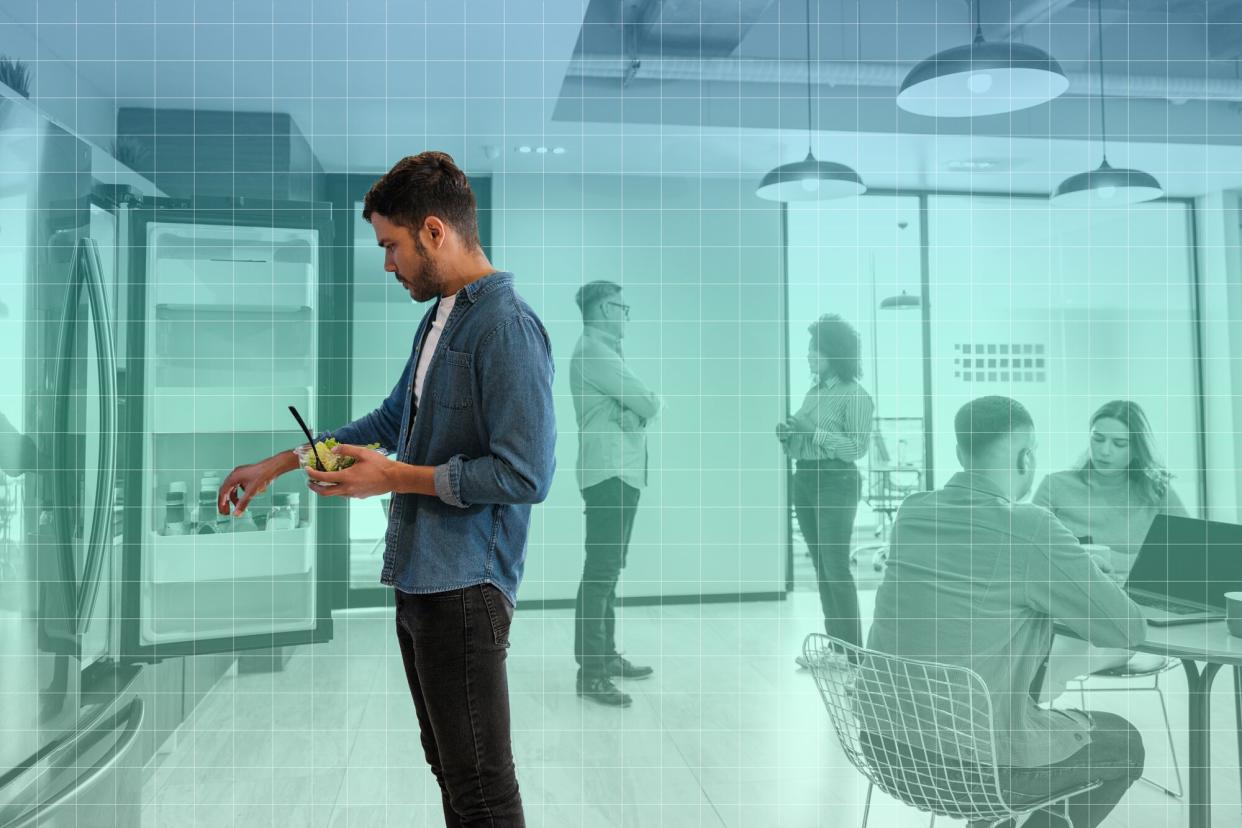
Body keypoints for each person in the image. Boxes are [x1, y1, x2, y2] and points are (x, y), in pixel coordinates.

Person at [217, 152, 555, 828]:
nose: (387, 263)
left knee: (483, 789)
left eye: (390, 245)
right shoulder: (441, 319)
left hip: (466, 589)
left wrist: (394, 478)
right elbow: (391, 420)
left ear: (434, 231)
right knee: (453, 773)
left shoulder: (506, 328)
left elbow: (525, 475)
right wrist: (281, 462)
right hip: (423, 580)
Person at [867, 396, 1146, 828]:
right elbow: (1127, 628)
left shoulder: (913, 513)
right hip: (967, 770)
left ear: (960, 453)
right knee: (1125, 744)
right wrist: (1078, 570)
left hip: (883, 746)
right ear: (1027, 456)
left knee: (1003, 712)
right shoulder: (1030, 526)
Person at [1033, 400, 1188, 697]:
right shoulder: (1055, 486)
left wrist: (1114, 561)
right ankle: (1030, 713)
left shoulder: (1158, 492)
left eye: (1119, 443)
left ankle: (1027, 714)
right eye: (1098, 438)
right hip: (1070, 609)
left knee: (1049, 664)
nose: (1104, 451)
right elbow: (1029, 554)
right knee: (1043, 650)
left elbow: (1189, 557)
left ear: (1137, 448)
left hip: (1135, 618)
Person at [569, 280, 660, 708]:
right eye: (622, 307)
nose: (626, 315)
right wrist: (636, 410)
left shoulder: (603, 354)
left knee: (608, 570)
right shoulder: (595, 353)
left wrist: (632, 412)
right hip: (610, 471)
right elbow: (648, 402)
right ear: (605, 309)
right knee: (602, 572)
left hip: (619, 472)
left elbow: (636, 407)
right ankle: (592, 672)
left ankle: (603, 656)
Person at [778, 314, 873, 668]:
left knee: (836, 567)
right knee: (821, 566)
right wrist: (790, 436)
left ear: (833, 352)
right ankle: (836, 648)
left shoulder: (856, 396)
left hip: (837, 481)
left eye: (814, 349)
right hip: (805, 478)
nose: (808, 356)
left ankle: (853, 654)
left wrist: (812, 432)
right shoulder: (814, 392)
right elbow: (803, 441)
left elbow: (855, 450)